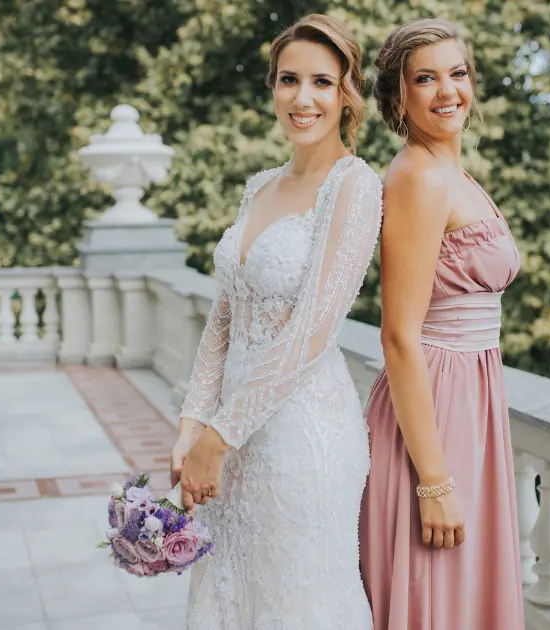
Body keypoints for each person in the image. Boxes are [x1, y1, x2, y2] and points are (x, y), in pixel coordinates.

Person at [168, 13, 381, 630]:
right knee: (230, 599)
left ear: (346, 93)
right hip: (229, 442)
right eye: (289, 80)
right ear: (273, 87)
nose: (302, 97)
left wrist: (218, 438)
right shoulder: (260, 186)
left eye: (321, 81)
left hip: (300, 438)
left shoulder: (355, 186)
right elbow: (223, 322)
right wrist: (192, 425)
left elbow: (312, 330)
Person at [359, 18, 526, 630]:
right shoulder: (418, 179)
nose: (446, 90)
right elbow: (398, 334)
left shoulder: (452, 173)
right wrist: (433, 481)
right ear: (399, 96)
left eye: (457, 74)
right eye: (425, 78)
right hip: (434, 403)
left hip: (472, 393)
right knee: (435, 593)